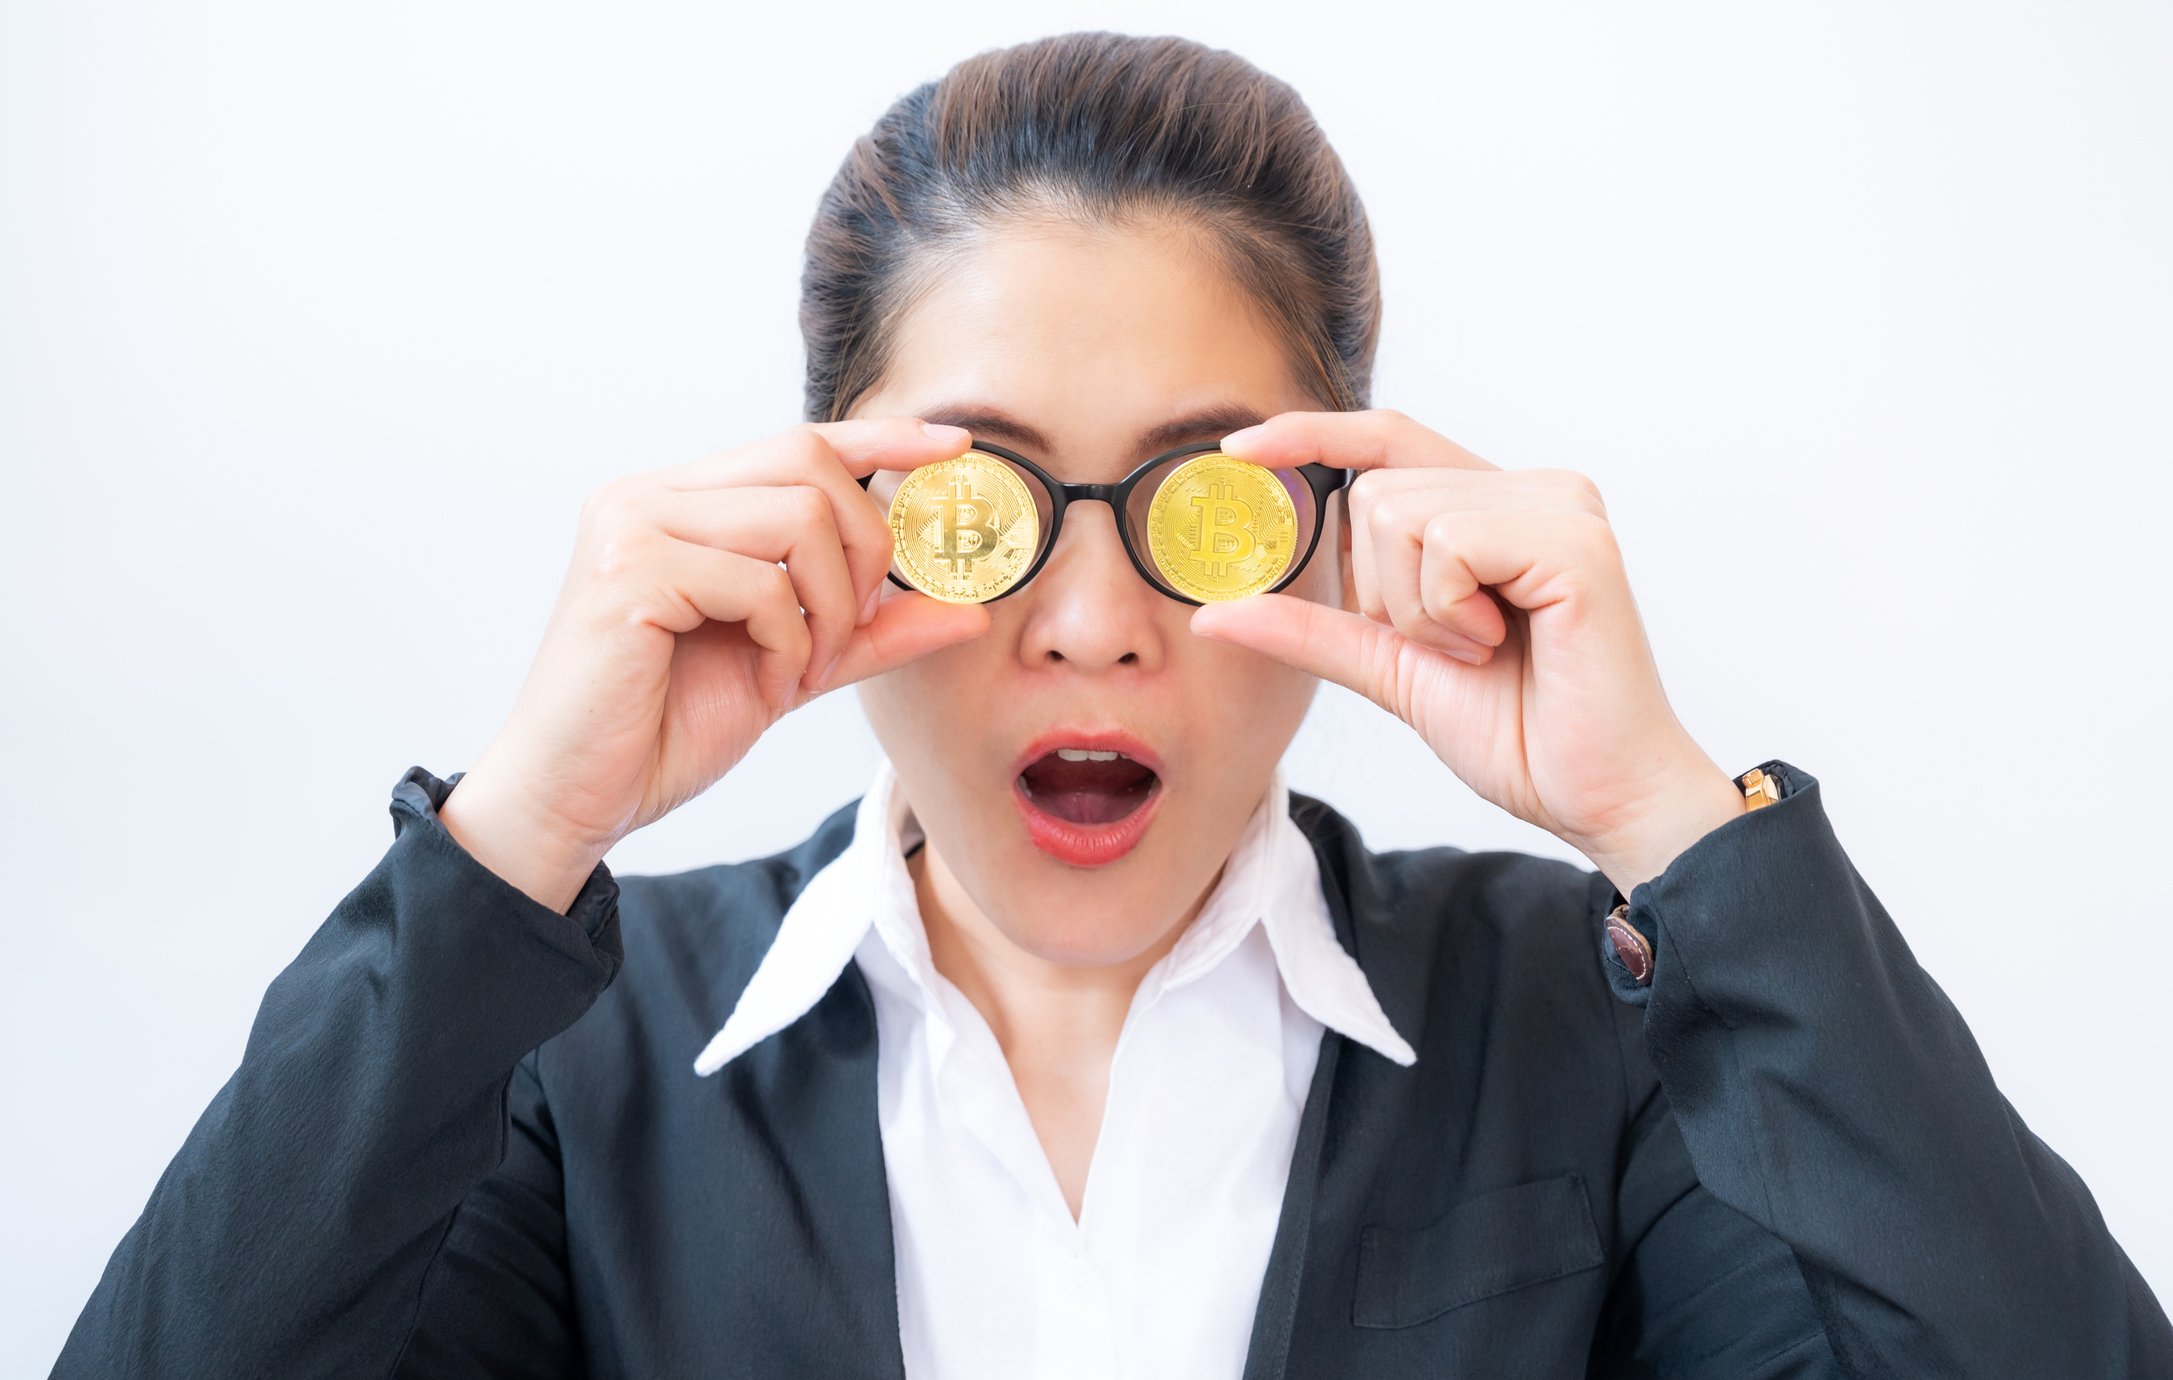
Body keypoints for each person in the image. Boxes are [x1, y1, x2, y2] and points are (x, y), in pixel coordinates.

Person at [55, 30, 2168, 1380]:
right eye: (977, 499)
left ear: (1338, 508)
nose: (1083, 622)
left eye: (1203, 502)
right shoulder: (574, 1056)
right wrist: (518, 831)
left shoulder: (1587, 1021)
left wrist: (1673, 830)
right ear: (831, 508)